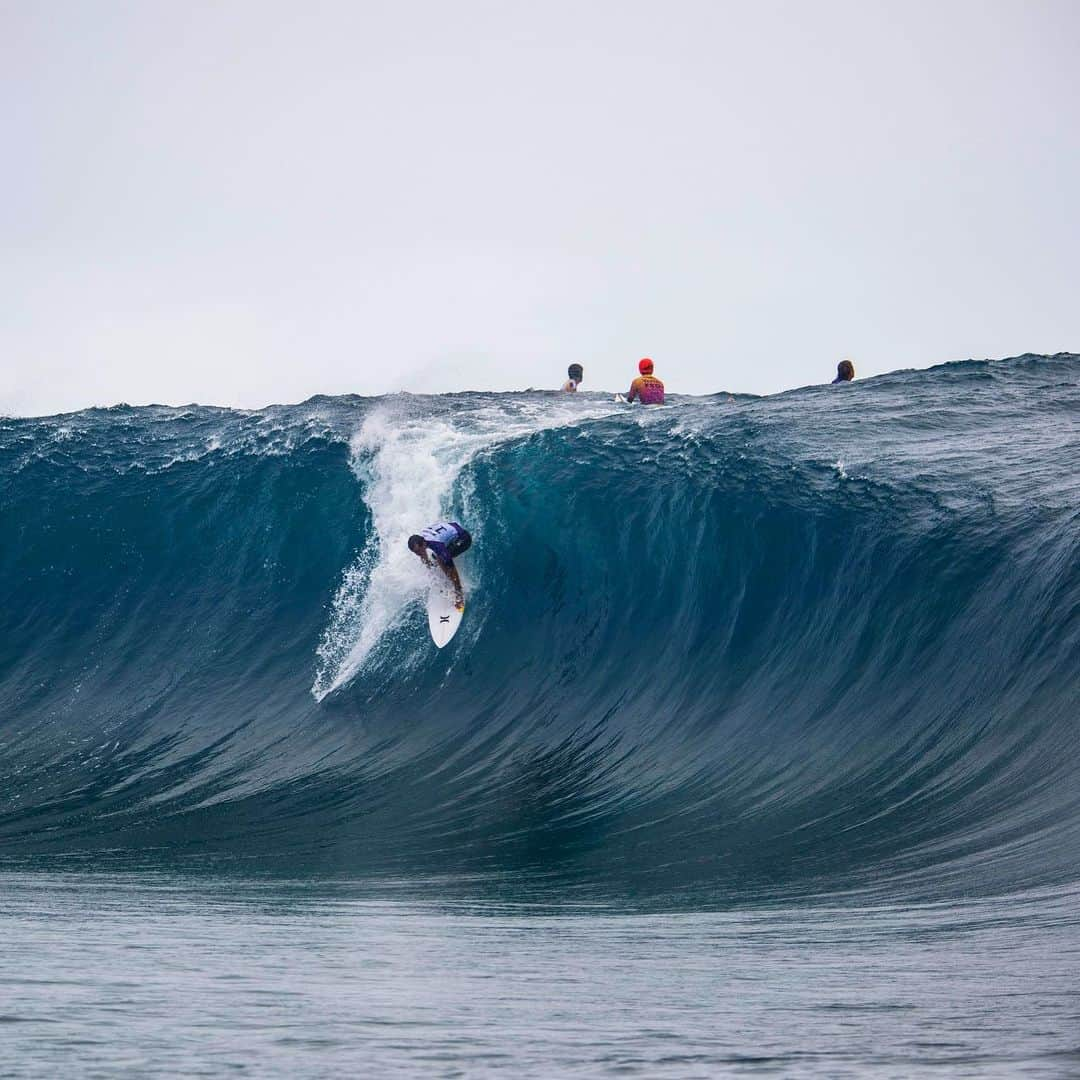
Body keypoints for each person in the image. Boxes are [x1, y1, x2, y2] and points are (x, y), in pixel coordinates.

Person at [408, 521, 472, 610]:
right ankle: (445, 575)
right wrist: (430, 568)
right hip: (452, 527)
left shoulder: (437, 545)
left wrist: (458, 593)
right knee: (436, 558)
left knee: (441, 558)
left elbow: (452, 569)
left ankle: (459, 592)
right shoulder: (421, 539)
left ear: (423, 543)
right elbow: (423, 555)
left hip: (464, 538)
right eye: (416, 552)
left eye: (419, 551)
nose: (418, 554)